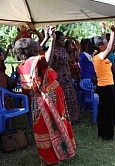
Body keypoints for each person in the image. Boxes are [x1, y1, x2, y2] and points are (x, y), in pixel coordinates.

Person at [15, 26, 75, 165]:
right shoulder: (36, 61)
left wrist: (47, 37)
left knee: (47, 127)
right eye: (33, 41)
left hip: (42, 99)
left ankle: (54, 155)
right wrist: (52, 40)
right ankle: (54, 156)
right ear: (32, 50)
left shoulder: (26, 62)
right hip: (49, 99)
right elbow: (46, 61)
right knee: (53, 125)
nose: (37, 41)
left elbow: (37, 53)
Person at [91, 24, 115, 140]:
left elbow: (106, 42)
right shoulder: (99, 57)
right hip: (105, 87)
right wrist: (113, 32)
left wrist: (104, 30)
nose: (107, 44)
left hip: (105, 86)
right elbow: (110, 48)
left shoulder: (99, 56)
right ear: (101, 47)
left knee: (104, 110)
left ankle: (103, 133)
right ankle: (107, 135)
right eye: (104, 44)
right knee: (107, 111)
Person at [49, 30, 80, 123]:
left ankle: (73, 118)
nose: (63, 42)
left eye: (63, 40)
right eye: (61, 40)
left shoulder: (63, 49)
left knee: (70, 97)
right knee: (62, 98)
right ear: (56, 40)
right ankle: (63, 119)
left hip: (67, 76)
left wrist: (70, 38)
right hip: (59, 77)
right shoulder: (52, 51)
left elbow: (75, 53)